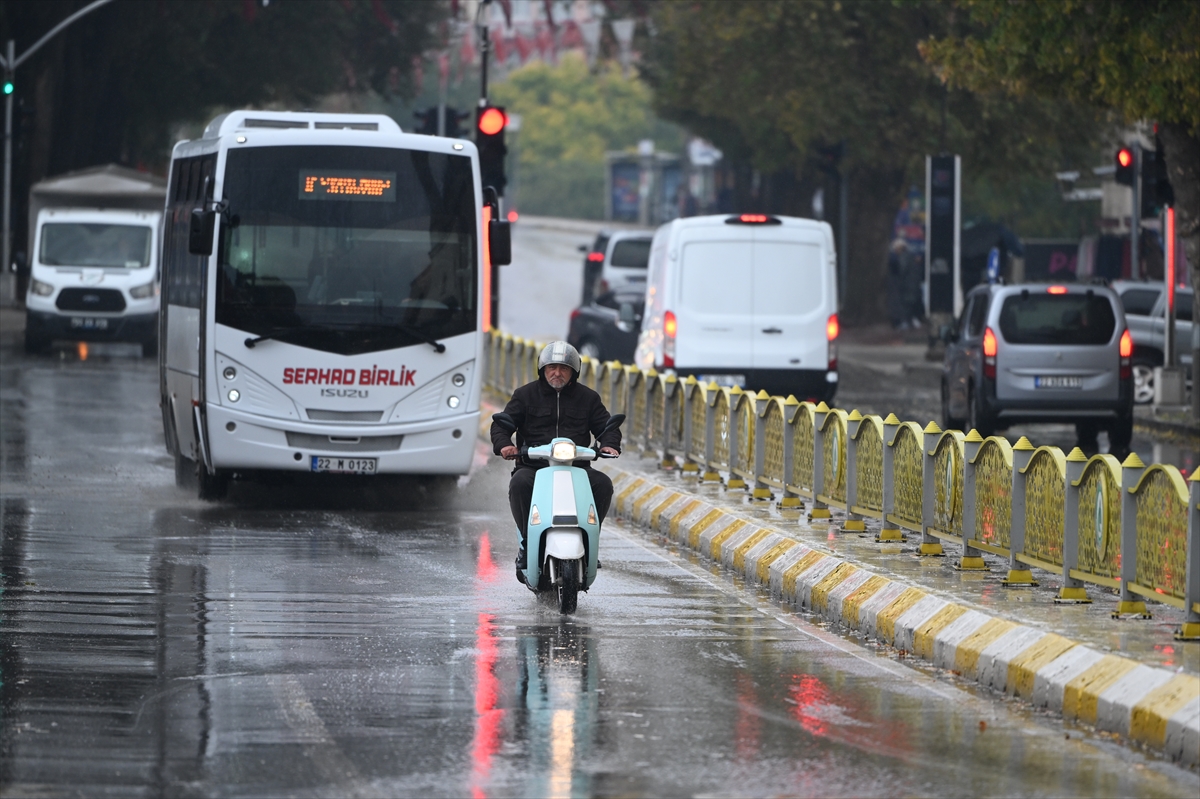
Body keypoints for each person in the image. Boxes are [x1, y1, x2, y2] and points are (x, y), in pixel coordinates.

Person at [491, 341, 621, 581]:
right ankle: (527, 543)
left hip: (576, 468)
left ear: (574, 372)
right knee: (519, 484)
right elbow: (501, 424)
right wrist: (505, 445)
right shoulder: (525, 395)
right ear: (542, 369)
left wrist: (609, 444)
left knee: (602, 484)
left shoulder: (588, 398)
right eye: (552, 367)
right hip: (534, 466)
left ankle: (589, 541)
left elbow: (606, 427)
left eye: (563, 368)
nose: (557, 373)